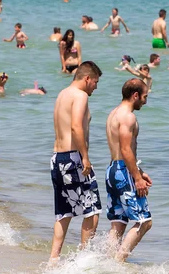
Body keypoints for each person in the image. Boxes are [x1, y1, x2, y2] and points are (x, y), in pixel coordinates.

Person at [49, 61, 103, 262]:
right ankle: (84, 259)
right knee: (93, 209)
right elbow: (75, 127)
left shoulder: (62, 94)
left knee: (64, 212)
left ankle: (53, 259)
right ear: (87, 78)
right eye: (95, 82)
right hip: (73, 158)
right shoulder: (80, 96)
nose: (95, 87)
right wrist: (85, 157)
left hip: (57, 158)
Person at [105, 78, 153, 261]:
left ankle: (107, 261)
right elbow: (126, 149)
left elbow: (122, 150)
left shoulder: (113, 113)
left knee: (118, 222)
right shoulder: (128, 116)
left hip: (112, 169)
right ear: (135, 95)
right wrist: (137, 178)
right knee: (144, 221)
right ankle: (118, 263)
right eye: (144, 96)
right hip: (123, 171)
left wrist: (139, 171)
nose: (145, 101)